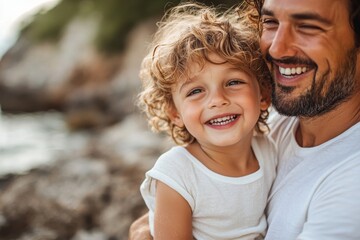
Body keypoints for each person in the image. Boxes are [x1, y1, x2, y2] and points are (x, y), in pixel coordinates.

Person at [130, 0, 360, 239]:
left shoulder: (349, 184)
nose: (276, 49)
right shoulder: (271, 128)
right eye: (270, 22)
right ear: (174, 112)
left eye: (308, 26)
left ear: (263, 94)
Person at [136, 2, 277, 240]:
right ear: (175, 114)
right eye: (195, 91)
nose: (217, 100)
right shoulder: (177, 173)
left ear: (263, 95)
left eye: (233, 82)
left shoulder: (269, 150)